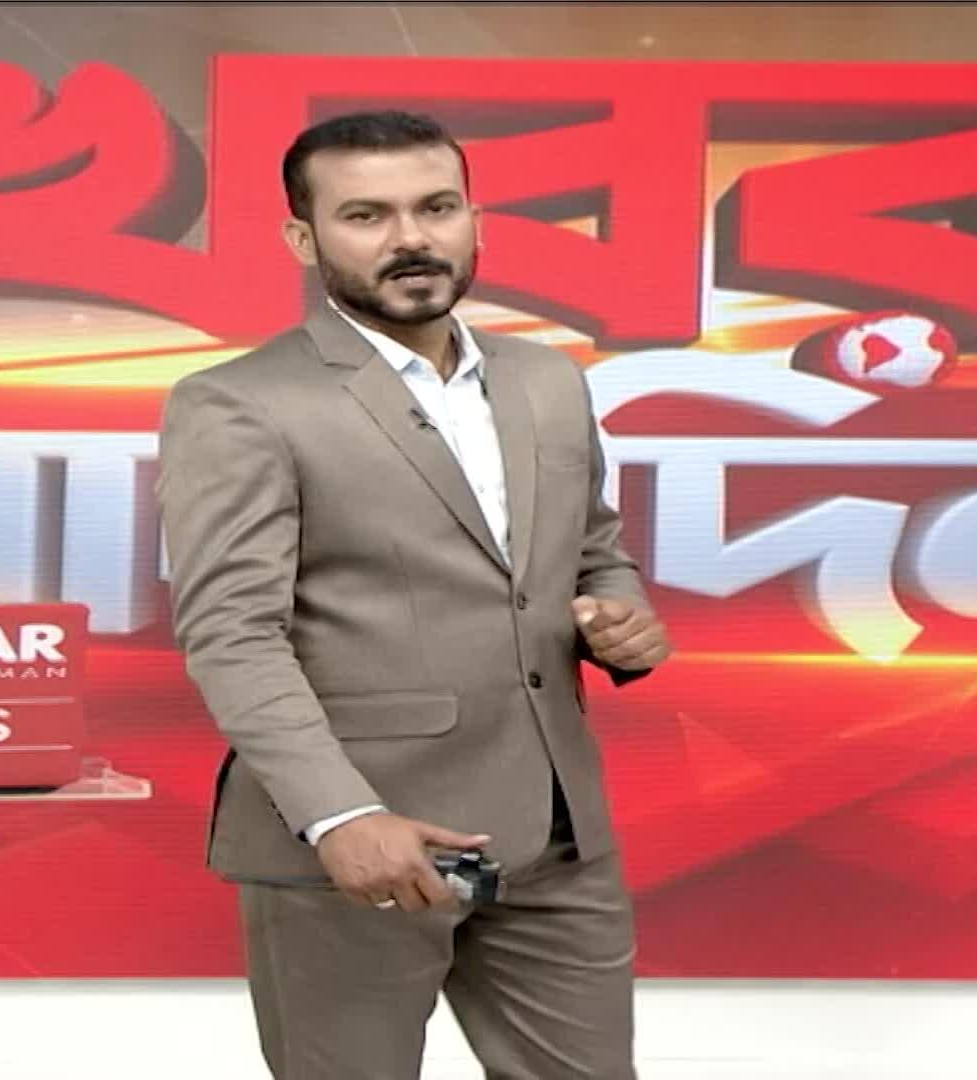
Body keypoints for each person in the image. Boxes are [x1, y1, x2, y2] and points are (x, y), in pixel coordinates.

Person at [156, 110, 672, 1080]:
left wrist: (620, 622)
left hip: (556, 837)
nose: (411, 238)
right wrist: (339, 817)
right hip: (357, 847)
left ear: (475, 219)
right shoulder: (237, 403)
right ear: (303, 239)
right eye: (366, 215)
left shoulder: (547, 380)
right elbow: (233, 635)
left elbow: (593, 554)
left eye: (436, 207)